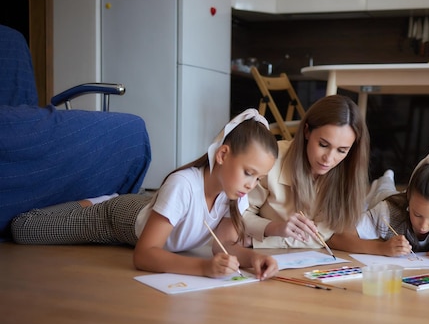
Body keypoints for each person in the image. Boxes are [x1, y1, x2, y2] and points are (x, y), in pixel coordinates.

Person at [11, 109, 280, 280]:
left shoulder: (235, 194)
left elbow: (223, 246)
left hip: (150, 210)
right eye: (249, 172)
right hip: (118, 220)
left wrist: (253, 259)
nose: (252, 184)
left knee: (148, 205)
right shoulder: (183, 185)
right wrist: (204, 268)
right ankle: (101, 201)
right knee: (24, 228)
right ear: (222, 155)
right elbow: (144, 255)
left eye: (258, 177)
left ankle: (121, 197)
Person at [240, 94, 370, 250]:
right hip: (260, 256)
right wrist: (273, 228)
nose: (328, 159)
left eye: (341, 151)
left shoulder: (349, 173)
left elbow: (321, 237)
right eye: (323, 144)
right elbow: (237, 214)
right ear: (307, 131)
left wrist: (258, 242)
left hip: (301, 258)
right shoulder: (271, 160)